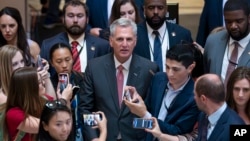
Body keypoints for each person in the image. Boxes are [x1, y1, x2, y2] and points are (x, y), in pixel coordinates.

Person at [78, 18, 158, 141]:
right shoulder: (94, 67)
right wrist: (94, 138)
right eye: (120, 39)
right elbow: (85, 109)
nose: (125, 44)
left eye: (129, 39)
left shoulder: (149, 69)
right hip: (103, 137)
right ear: (111, 41)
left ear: (135, 41)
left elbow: (152, 111)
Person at [124, 44, 200, 141]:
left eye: (175, 69)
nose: (170, 73)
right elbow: (147, 108)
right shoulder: (158, 79)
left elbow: (177, 131)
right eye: (167, 67)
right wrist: (136, 101)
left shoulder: (195, 97)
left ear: (190, 68)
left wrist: (145, 114)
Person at [40, 0, 110, 76]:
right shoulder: (48, 46)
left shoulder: (102, 46)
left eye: (80, 16)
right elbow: (43, 79)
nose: (75, 20)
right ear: (63, 19)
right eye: (70, 16)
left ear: (87, 20)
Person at [134, 0, 193, 72]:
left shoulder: (182, 34)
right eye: (151, 8)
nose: (156, 12)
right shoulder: (134, 34)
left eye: (160, 8)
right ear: (144, 10)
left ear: (166, 9)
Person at [203, 0, 250, 86]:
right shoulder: (213, 41)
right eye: (228, 22)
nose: (233, 26)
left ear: (249, 19)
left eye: (239, 21)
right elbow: (206, 74)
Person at [49, 42, 85, 140]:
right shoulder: (49, 85)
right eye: (59, 61)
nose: (64, 65)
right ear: (52, 63)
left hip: (84, 132)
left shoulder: (84, 79)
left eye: (67, 60)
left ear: (73, 59)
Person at [195, 74, 245, 141]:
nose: (194, 98)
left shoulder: (239, 127)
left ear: (203, 99)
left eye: (195, 95)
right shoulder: (202, 116)